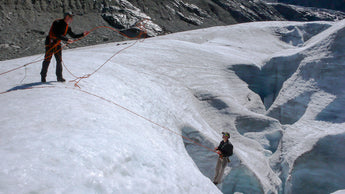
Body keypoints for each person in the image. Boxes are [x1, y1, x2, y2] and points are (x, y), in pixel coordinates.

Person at [40, 12, 88, 82]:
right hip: (50, 43)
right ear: (66, 17)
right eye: (70, 17)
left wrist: (83, 34)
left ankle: (59, 77)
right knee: (47, 60)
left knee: (59, 60)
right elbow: (57, 34)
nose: (71, 19)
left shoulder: (67, 27)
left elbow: (73, 35)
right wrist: (67, 39)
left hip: (57, 44)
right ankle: (43, 77)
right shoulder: (57, 22)